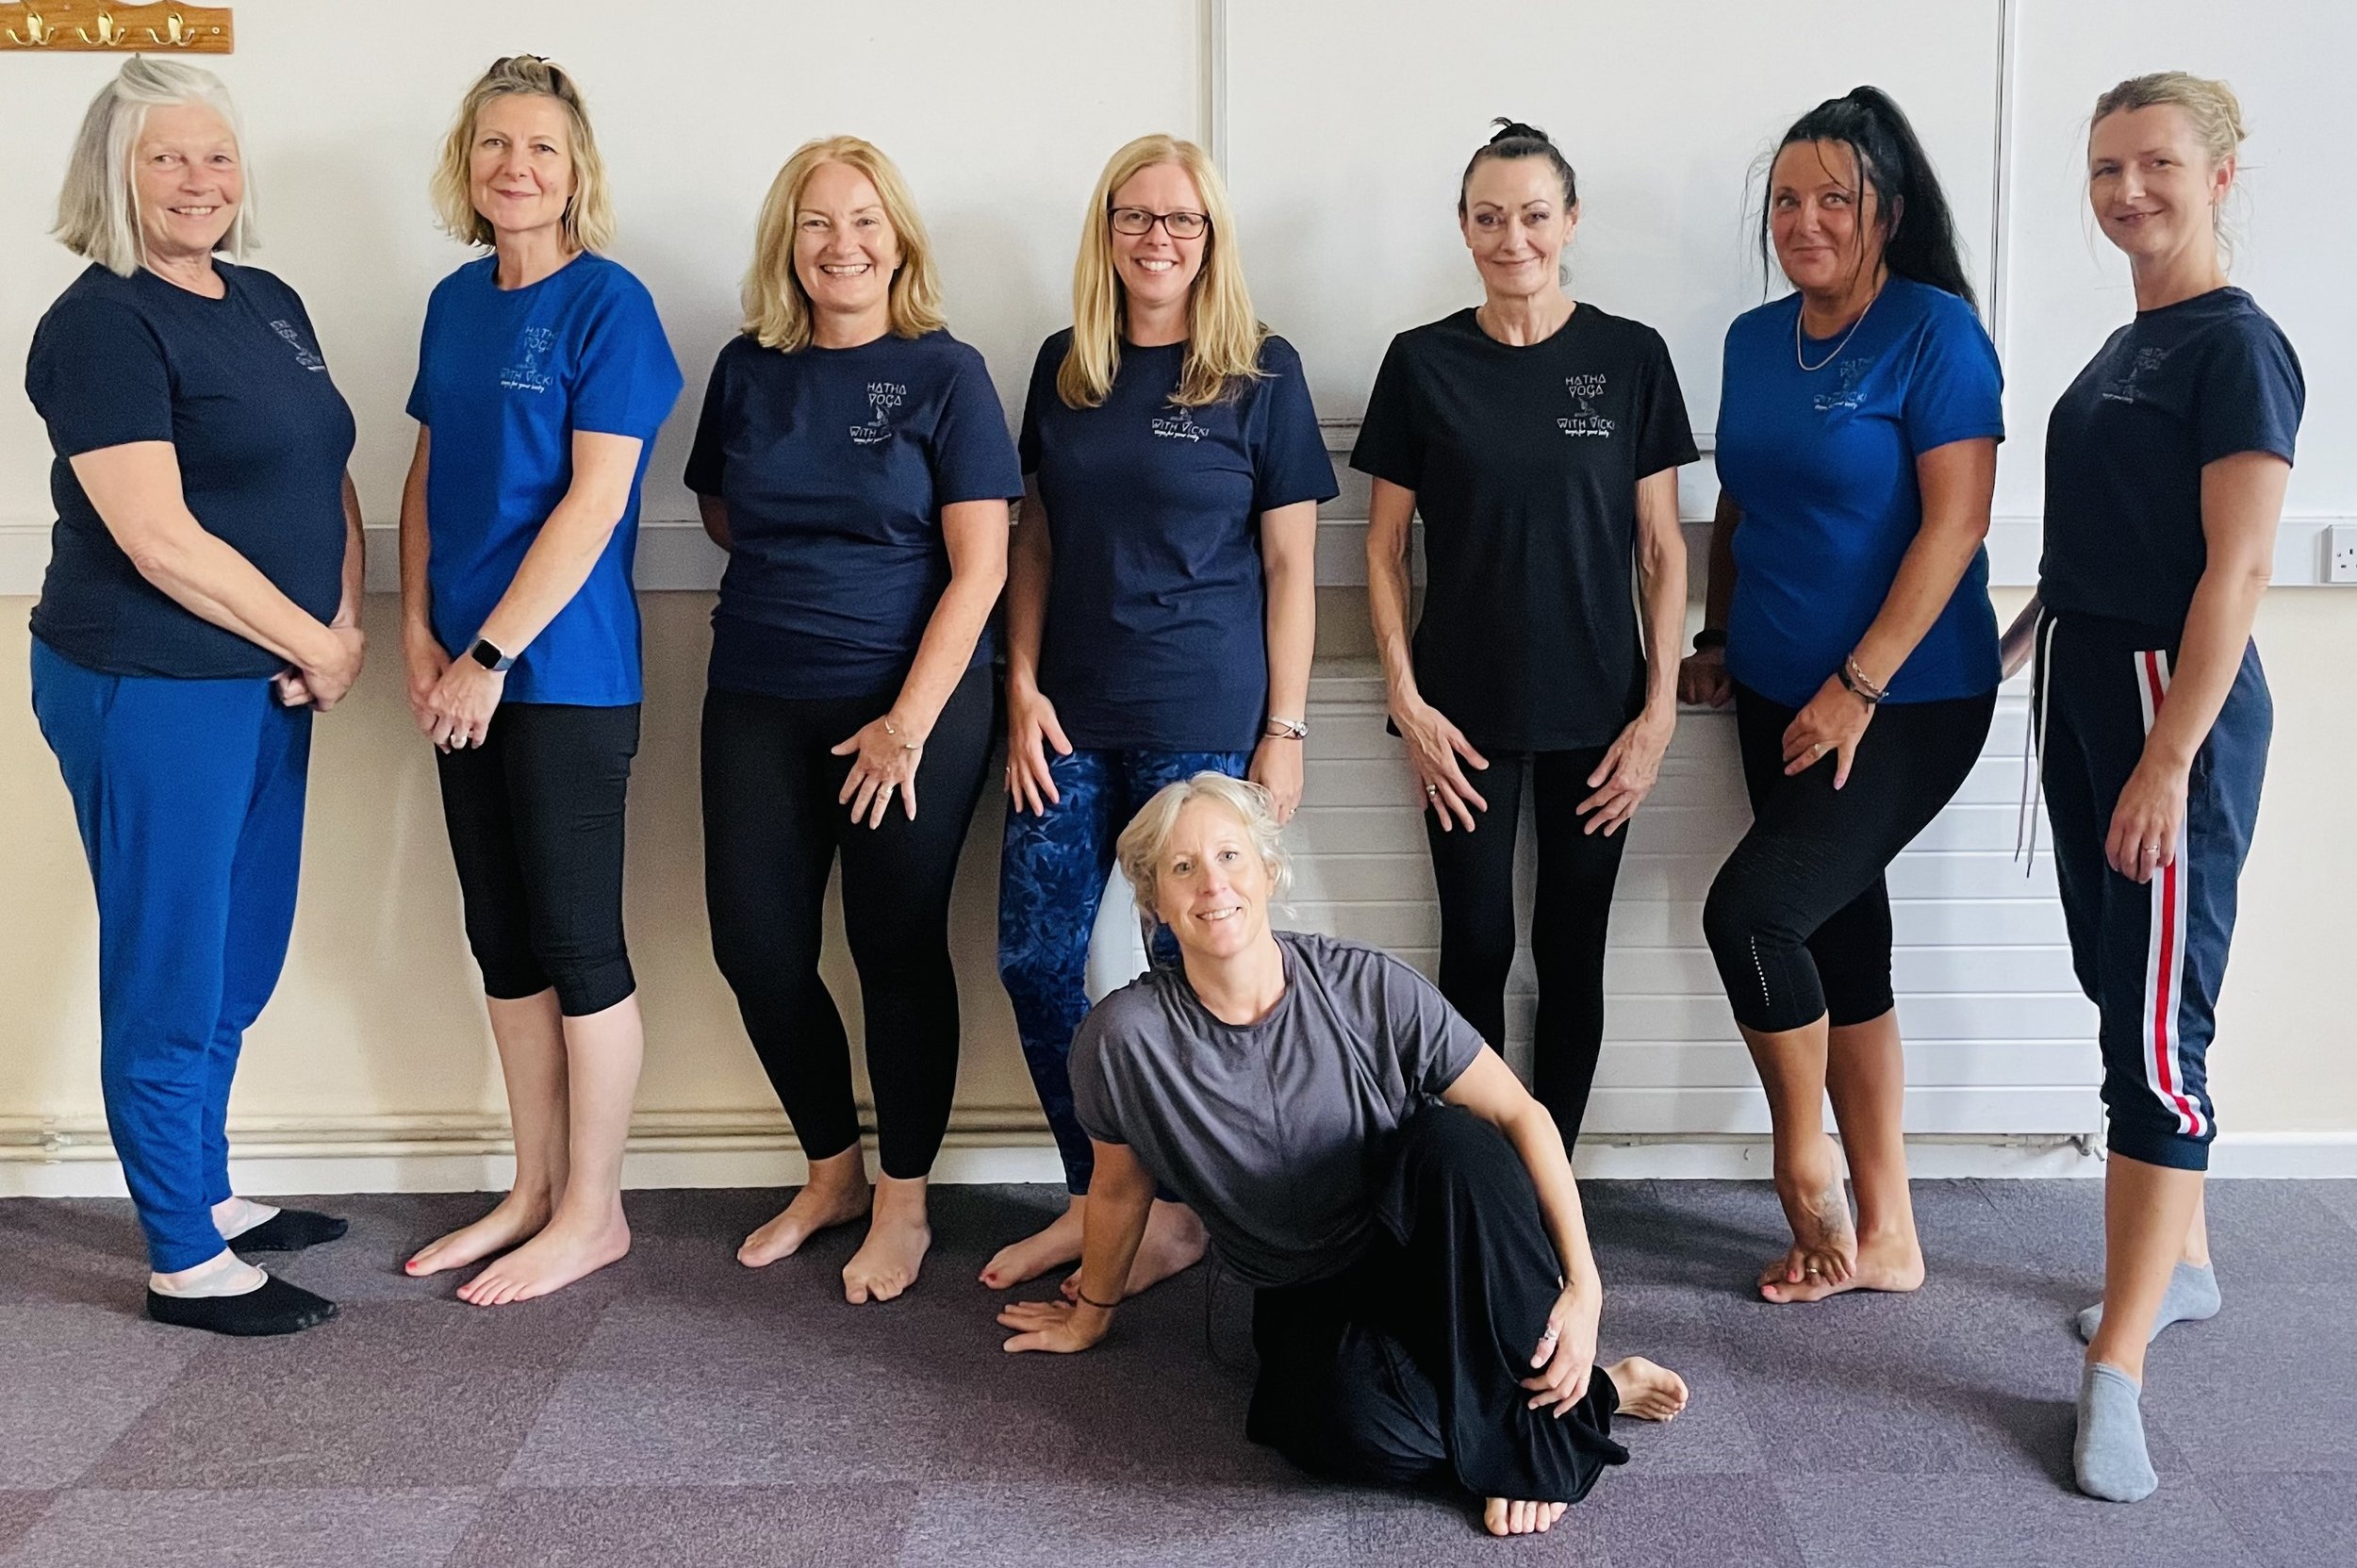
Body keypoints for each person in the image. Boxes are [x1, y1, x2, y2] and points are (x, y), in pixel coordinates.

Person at [997, 774, 1689, 1538]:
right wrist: (1092, 1311)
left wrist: (1585, 1289)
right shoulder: (1121, 1039)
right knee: (1333, 1430)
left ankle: (1539, 1441)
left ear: (1268, 871)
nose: (1212, 883)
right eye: (1183, 867)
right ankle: (1589, 1395)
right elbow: (1120, 1188)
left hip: (1425, 1239)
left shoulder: (1363, 984)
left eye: (1230, 855)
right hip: (1302, 1283)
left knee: (1460, 1142)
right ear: (1154, 900)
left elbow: (1525, 1114)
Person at [1997, 74, 2299, 1504]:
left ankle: (2116, 1364)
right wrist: (2007, 645)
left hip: (2164, 708)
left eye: (2157, 164)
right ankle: (2183, 1258)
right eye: (2109, 166)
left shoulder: (2237, 348)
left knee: (2155, 1032)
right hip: (2083, 684)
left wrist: (2169, 757)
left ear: (2222, 175)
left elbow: (2234, 573)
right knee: (2117, 973)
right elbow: (2097, 547)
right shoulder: (2134, 342)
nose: (2127, 190)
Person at [25, 58, 362, 1335]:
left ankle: (206, 1187)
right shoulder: (101, 323)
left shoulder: (267, 297)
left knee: (237, 955)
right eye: (166, 157)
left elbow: (325, 469)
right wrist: (315, 644)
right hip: (150, 682)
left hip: (267, 675)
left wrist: (336, 617)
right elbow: (159, 538)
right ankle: (181, 1251)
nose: (198, 180)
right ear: (114, 172)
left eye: (215, 154)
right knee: (169, 963)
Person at [986, 134, 1334, 1294]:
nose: (1157, 238)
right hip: (1071, 712)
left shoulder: (1260, 371)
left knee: (1188, 968)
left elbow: (1292, 568)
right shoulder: (1064, 367)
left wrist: (1283, 732)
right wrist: (1018, 679)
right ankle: (1099, 1202)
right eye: (1135, 217)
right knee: (1035, 958)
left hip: (1203, 717)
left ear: (1211, 238)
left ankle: (1181, 1214)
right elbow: (1032, 533)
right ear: (1106, 232)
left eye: (1180, 220)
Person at [1679, 87, 2003, 1303]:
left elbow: (1956, 521)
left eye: (1833, 199)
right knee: (1838, 936)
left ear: (1889, 211)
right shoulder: (1754, 341)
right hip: (1772, 687)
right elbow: (1746, 502)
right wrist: (1716, 632)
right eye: (1785, 200)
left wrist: (1859, 685)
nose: (1804, 220)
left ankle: (1801, 1161)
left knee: (1751, 916)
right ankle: (1893, 1237)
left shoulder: (1935, 333)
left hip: (1908, 699)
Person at [688, 137, 1017, 1303]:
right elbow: (726, 511)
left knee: (895, 951)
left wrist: (904, 723)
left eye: (866, 222)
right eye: (818, 223)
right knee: (757, 948)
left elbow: (980, 570)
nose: (843, 245)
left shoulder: (946, 373)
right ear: (789, 242)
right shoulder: (746, 368)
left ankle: (905, 1203)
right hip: (759, 695)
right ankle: (830, 1170)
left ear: (900, 241)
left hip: (913, 707)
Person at [397, 57, 683, 1305]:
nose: (517, 165)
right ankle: (530, 1184)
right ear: (468, 164)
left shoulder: (612, 305)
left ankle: (593, 1209)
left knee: (576, 938)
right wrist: (415, 628)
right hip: (454, 671)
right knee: (500, 937)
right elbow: (425, 473)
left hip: (560, 674)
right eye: (495, 144)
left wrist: (489, 654)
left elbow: (597, 498)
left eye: (544, 149)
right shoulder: (454, 303)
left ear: (578, 174)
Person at [1356, 120, 1694, 1147]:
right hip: (1458, 718)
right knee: (1473, 942)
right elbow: (1378, 552)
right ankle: (1483, 1174)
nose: (1514, 238)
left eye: (1534, 216)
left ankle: (1555, 1175)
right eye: (1490, 217)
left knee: (1570, 944)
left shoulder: (1630, 356)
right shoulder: (1421, 363)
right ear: (1463, 228)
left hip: (1600, 711)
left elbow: (1663, 550)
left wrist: (1659, 715)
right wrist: (1406, 702)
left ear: (1570, 221)